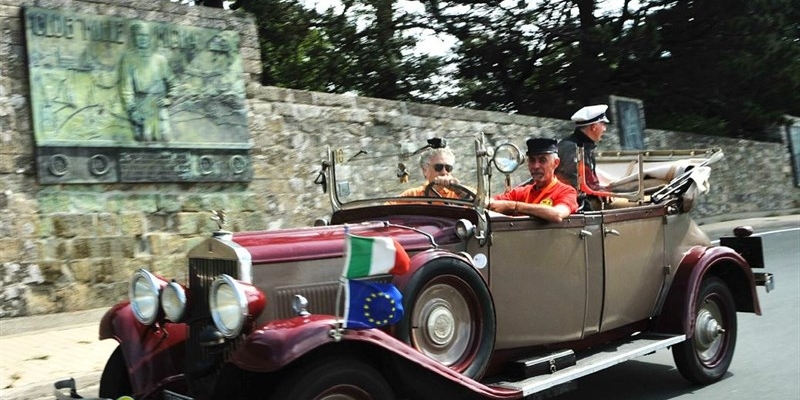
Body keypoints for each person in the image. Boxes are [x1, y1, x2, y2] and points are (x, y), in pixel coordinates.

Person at [488, 138, 579, 223]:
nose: (536, 166)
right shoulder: (521, 192)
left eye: (542, 160)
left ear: (555, 163)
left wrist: (514, 206)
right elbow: (491, 203)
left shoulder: (566, 191)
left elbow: (557, 214)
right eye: (532, 160)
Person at [119, 22, 175, 142]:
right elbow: (126, 88)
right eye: (139, 35)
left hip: (158, 107)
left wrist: (168, 99)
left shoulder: (160, 60)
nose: (142, 39)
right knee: (144, 140)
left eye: (145, 35)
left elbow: (173, 84)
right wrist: (132, 110)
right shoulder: (129, 58)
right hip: (140, 106)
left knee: (166, 140)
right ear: (134, 37)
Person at [399, 147, 465, 199]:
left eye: (448, 168)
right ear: (425, 170)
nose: (444, 172)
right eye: (438, 167)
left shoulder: (461, 192)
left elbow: (474, 205)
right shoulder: (412, 195)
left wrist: (459, 191)